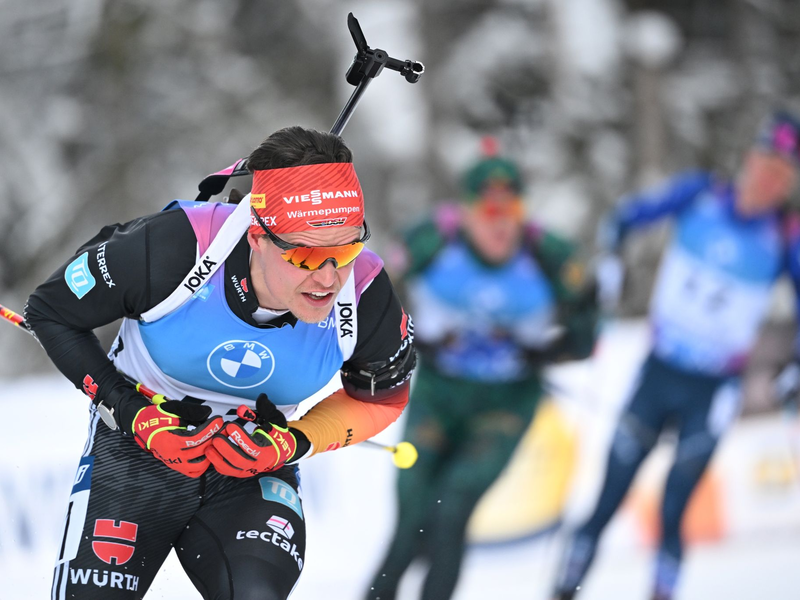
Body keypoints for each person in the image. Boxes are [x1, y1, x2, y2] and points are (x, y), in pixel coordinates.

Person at [24, 126, 416, 600]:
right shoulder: (172, 248)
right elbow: (50, 312)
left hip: (251, 464)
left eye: (348, 248)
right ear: (258, 237)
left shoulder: (367, 293)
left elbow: (382, 398)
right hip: (136, 449)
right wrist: (134, 414)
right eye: (309, 256)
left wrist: (292, 442)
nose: (329, 279)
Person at [551, 109, 800, 600]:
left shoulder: (785, 236)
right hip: (657, 374)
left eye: (783, 174)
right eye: (766, 164)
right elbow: (623, 219)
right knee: (606, 499)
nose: (769, 180)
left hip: (712, 391)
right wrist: (610, 265)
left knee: (673, 511)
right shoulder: (699, 194)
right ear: (749, 159)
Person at [364, 146, 599, 600]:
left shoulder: (550, 256)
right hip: (440, 394)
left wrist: (549, 348)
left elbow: (587, 338)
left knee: (453, 507)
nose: (498, 222)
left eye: (509, 210)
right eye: (487, 209)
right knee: (410, 514)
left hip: (505, 404)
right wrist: (417, 339)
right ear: (466, 211)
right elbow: (374, 296)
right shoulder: (431, 241)